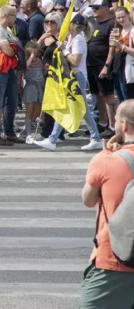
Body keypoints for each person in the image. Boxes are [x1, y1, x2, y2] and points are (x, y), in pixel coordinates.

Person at [79, 99, 134, 307]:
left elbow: (88, 200)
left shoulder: (105, 160)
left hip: (115, 259)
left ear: (124, 125)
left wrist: (105, 155)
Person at [32, 14, 103, 152]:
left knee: (73, 107)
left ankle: (53, 139)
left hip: (77, 77)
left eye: (66, 22)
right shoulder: (71, 37)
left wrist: (63, 49)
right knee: (80, 109)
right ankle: (95, 138)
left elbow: (75, 61)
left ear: (73, 24)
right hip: (70, 76)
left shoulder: (78, 39)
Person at [0, 6, 23, 146]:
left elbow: (15, 45)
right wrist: (15, 46)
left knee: (11, 102)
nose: (15, 18)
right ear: (7, 15)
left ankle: (9, 132)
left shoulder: (7, 30)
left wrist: (14, 45)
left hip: (9, 68)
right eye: (14, 15)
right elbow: (9, 50)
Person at [88, 0, 116, 133]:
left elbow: (112, 47)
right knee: (96, 95)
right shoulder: (92, 23)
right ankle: (103, 122)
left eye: (96, 8)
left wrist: (107, 65)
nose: (94, 10)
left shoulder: (111, 24)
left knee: (107, 95)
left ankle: (113, 125)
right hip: (91, 64)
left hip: (102, 65)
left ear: (105, 8)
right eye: (93, 8)